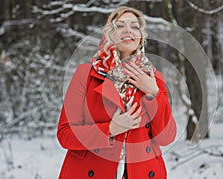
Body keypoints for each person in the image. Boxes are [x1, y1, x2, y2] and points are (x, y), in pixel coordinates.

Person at [57, 6, 176, 179]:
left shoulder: (154, 78)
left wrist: (153, 93)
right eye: (120, 25)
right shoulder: (86, 74)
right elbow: (65, 134)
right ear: (109, 34)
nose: (128, 30)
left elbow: (166, 137)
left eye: (135, 26)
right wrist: (110, 129)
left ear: (141, 37)